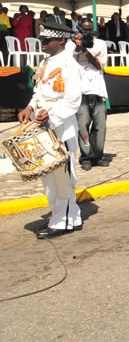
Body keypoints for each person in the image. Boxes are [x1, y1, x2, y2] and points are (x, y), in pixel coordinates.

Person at [18, 23, 83, 238]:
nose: (43, 43)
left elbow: (73, 101)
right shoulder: (46, 62)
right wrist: (30, 107)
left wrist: (51, 116)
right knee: (49, 177)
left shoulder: (69, 64)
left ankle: (61, 222)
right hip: (44, 126)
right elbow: (39, 92)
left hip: (60, 127)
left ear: (62, 40)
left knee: (61, 178)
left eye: (48, 40)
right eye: (42, 39)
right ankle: (70, 217)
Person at [74, 19, 109, 170]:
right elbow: (71, 63)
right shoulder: (72, 45)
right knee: (83, 125)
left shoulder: (100, 44)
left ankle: (98, 155)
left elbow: (99, 65)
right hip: (80, 90)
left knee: (100, 125)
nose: (86, 33)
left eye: (89, 30)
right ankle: (86, 157)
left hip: (98, 90)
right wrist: (77, 48)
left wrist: (85, 51)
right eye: (84, 30)